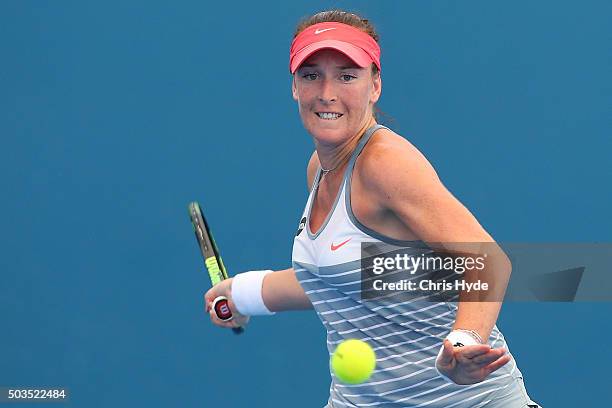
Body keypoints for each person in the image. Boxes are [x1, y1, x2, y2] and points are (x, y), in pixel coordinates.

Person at [205, 9, 541, 408]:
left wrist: (464, 340)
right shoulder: (320, 168)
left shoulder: (385, 163)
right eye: (311, 74)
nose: (327, 92)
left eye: (347, 75)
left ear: (375, 85)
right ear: (294, 86)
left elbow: (488, 262)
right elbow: (340, 278)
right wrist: (242, 294)